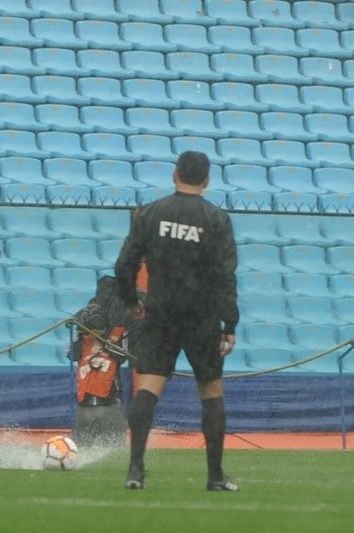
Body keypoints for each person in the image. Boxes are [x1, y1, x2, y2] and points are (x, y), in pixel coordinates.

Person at [114, 151, 240, 492]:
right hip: (202, 316)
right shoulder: (216, 219)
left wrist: (130, 301)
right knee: (210, 391)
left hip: (161, 313)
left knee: (148, 387)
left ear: (174, 175)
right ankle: (215, 476)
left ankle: (135, 470)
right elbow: (225, 276)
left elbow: (124, 264)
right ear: (207, 180)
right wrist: (229, 324)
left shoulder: (151, 213)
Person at [69, 275, 143, 449]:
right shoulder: (83, 331)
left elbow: (121, 355)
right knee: (92, 451)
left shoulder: (119, 328)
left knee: (110, 452)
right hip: (90, 402)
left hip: (106, 400)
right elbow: (72, 354)